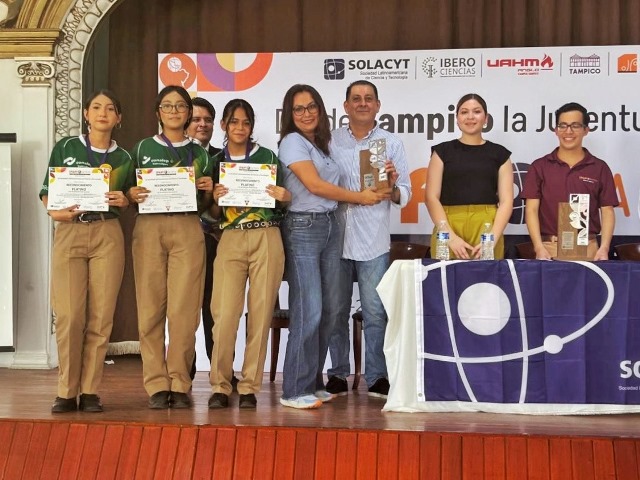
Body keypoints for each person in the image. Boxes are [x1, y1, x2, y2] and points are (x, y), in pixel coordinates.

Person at [278, 84, 387, 409]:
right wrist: (360, 198)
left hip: (329, 226)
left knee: (326, 310)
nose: (306, 113)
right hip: (303, 227)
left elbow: (358, 180)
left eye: (312, 106)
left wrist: (385, 182)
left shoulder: (321, 143)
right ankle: (294, 390)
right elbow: (314, 185)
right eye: (299, 108)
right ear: (290, 114)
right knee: (308, 309)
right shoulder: (292, 141)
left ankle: (312, 383)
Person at [39, 89, 133, 413]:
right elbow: (47, 190)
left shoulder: (124, 158)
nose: (102, 113)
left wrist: (125, 199)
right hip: (70, 231)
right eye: (96, 107)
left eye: (110, 108)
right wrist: (54, 211)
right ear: (86, 114)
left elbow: (130, 195)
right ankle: (66, 390)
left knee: (101, 316)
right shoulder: (66, 147)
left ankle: (90, 390)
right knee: (68, 315)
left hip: (107, 232)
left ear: (118, 118)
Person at [127, 85, 213, 409]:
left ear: (189, 113)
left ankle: (179, 381)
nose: (174, 111)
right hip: (149, 228)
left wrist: (209, 189)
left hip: (188, 227)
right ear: (158, 112)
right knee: (150, 309)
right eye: (167, 105)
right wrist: (131, 194)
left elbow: (208, 206)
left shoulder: (200, 153)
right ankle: (156, 384)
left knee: (184, 312)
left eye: (180, 106)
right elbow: (126, 192)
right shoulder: (141, 148)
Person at [326, 80, 411, 399]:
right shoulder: (329, 141)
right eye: (356, 99)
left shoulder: (391, 143)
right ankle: (337, 373)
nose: (362, 103)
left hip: (373, 240)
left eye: (368, 98)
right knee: (335, 311)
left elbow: (405, 193)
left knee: (375, 312)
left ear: (377, 105)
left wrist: (392, 186)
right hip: (335, 239)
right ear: (346, 106)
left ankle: (377, 376)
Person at [207, 99, 289, 409]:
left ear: (252, 126)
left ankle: (249, 386)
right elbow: (211, 214)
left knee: (260, 313)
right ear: (223, 125)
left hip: (266, 235)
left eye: (245, 122)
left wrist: (284, 197)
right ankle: (220, 384)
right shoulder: (215, 161)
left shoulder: (268, 158)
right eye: (234, 122)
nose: (240, 128)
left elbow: (282, 203)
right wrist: (215, 199)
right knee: (224, 315)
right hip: (230, 237)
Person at [521, 102, 618, 260]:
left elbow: (607, 211)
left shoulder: (599, 168)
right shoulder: (539, 167)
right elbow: (531, 210)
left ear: (586, 130)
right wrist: (538, 247)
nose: (568, 131)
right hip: (549, 249)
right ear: (556, 130)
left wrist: (604, 248)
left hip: (588, 248)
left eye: (575, 126)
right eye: (563, 125)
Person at [424, 93, 514, 260]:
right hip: (448, 226)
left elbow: (506, 201)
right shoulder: (442, 152)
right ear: (457, 119)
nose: (470, 117)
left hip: (487, 226)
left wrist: (492, 237)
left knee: (488, 277)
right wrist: (450, 237)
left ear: (486, 118)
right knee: (445, 276)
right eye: (464, 112)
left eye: (477, 111)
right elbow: (431, 197)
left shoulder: (500, 154)